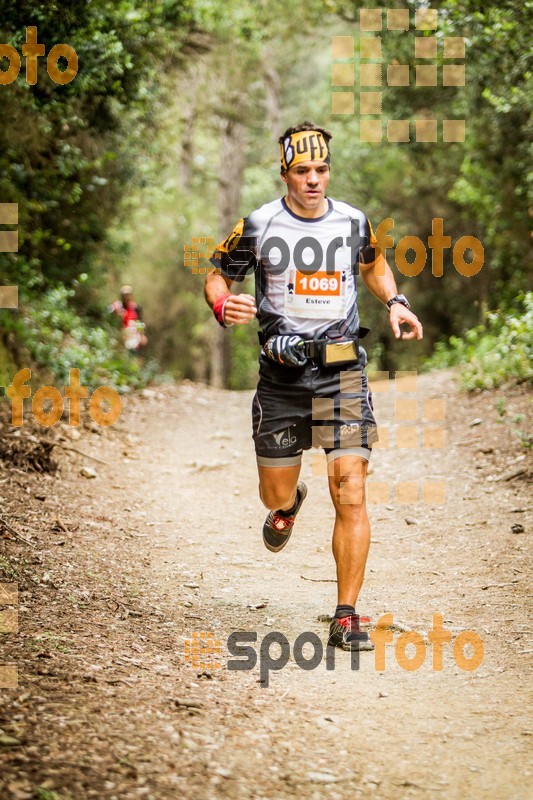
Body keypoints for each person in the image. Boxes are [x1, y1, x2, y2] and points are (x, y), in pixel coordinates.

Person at [204, 122, 423, 651]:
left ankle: (346, 615)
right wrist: (221, 304)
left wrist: (394, 302)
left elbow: (375, 266)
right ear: (285, 173)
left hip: (342, 371)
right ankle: (287, 505)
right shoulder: (258, 224)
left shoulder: (352, 221)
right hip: (281, 378)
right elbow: (216, 275)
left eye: (321, 169)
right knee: (274, 492)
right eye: (302, 170)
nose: (313, 180)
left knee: (350, 488)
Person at [109, 285, 148, 353]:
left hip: (134, 336)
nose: (127, 297)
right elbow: (109, 312)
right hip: (122, 335)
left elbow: (139, 322)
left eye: (128, 295)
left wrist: (142, 335)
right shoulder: (118, 306)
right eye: (125, 295)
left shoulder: (136, 307)